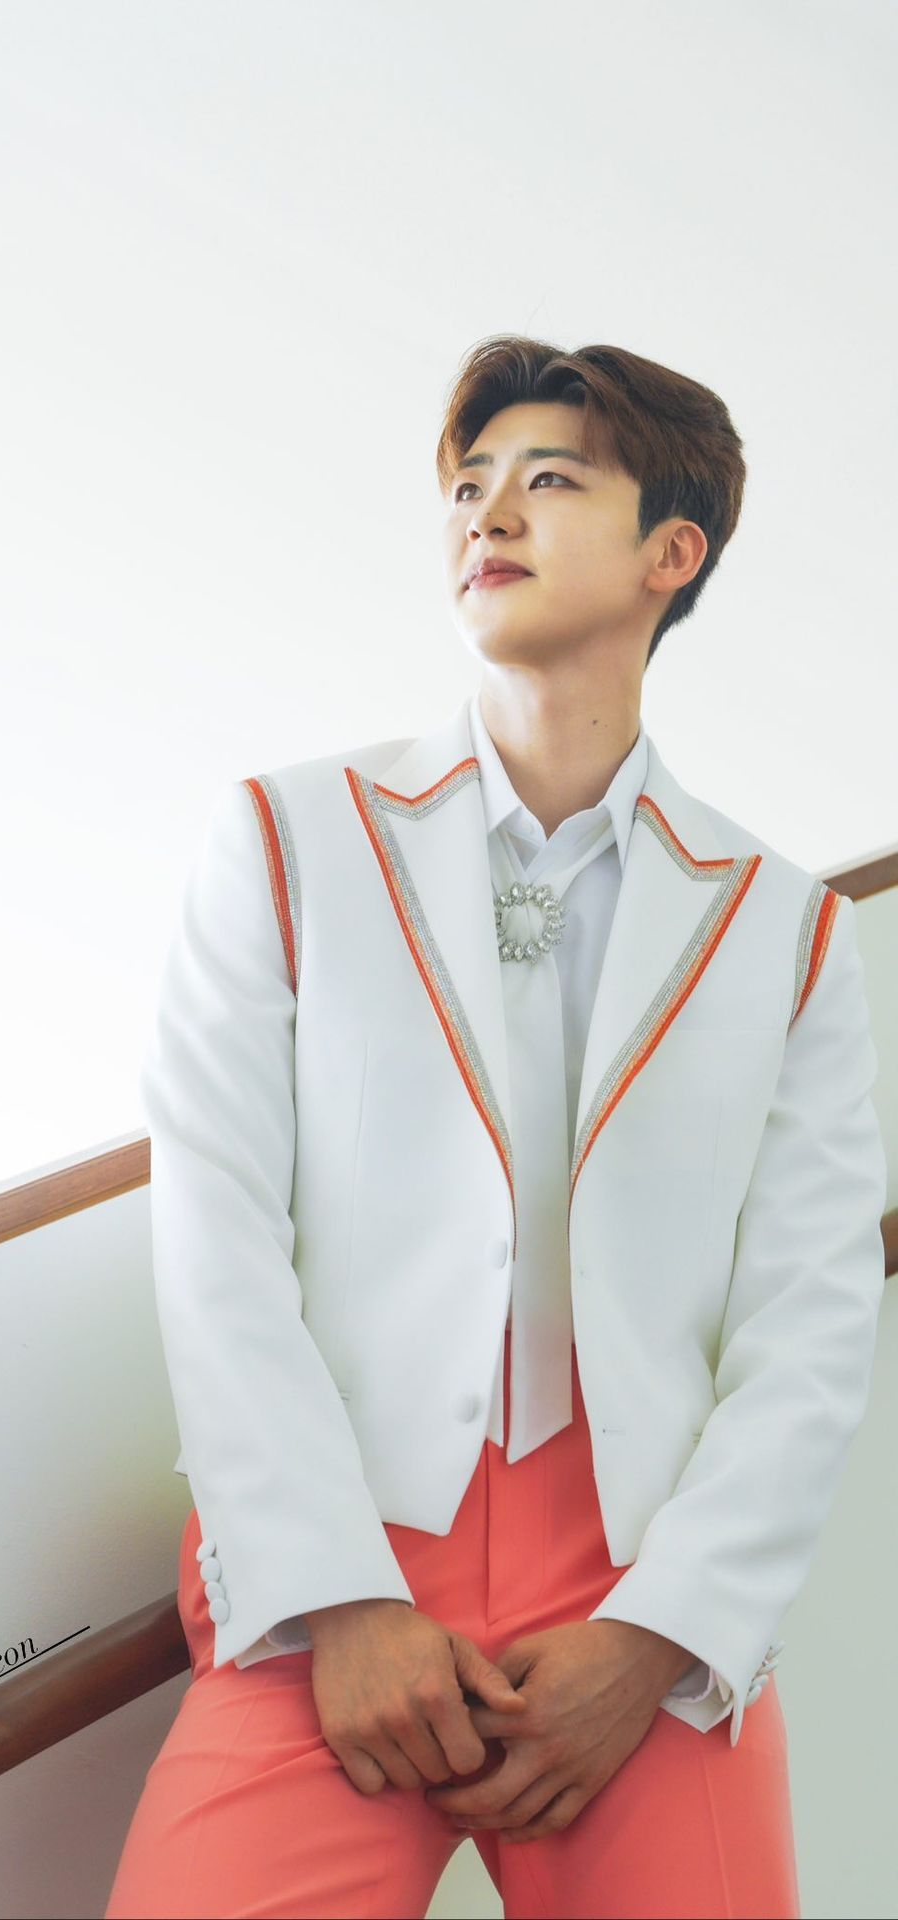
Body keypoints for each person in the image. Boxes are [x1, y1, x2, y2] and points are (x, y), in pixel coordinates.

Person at [105, 338, 888, 1920]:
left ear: (673, 552)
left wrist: (658, 1634)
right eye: (469, 486)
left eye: (550, 480)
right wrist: (338, 1600)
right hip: (336, 1566)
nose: (489, 513)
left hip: (640, 1598)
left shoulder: (786, 928)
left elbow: (811, 1320)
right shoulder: (289, 839)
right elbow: (214, 1238)